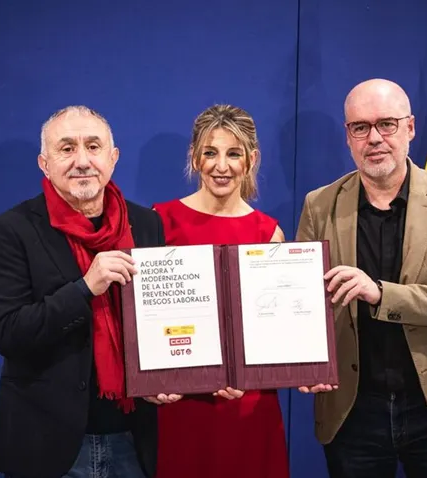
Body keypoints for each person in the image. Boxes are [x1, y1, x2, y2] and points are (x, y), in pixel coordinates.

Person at [295, 79, 427, 478]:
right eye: (360, 127)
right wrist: (305, 363)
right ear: (348, 137)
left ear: (410, 127)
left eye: (386, 124)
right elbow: (305, 301)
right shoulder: (319, 205)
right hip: (353, 410)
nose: (374, 138)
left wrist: (379, 294)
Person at [0, 105, 179, 478]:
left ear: (113, 157)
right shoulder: (13, 229)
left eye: (93, 146)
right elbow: (9, 333)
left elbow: (158, 320)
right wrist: (86, 288)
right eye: (66, 148)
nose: (83, 161)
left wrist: (165, 378)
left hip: (131, 437)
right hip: (48, 441)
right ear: (44, 164)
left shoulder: (145, 223)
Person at [151, 104, 290, 478]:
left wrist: (254, 375)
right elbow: (147, 322)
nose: (221, 166)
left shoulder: (268, 233)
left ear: (251, 159)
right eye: (210, 153)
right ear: (195, 157)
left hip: (250, 405)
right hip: (183, 404)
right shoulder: (160, 221)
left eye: (234, 154)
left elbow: (275, 329)